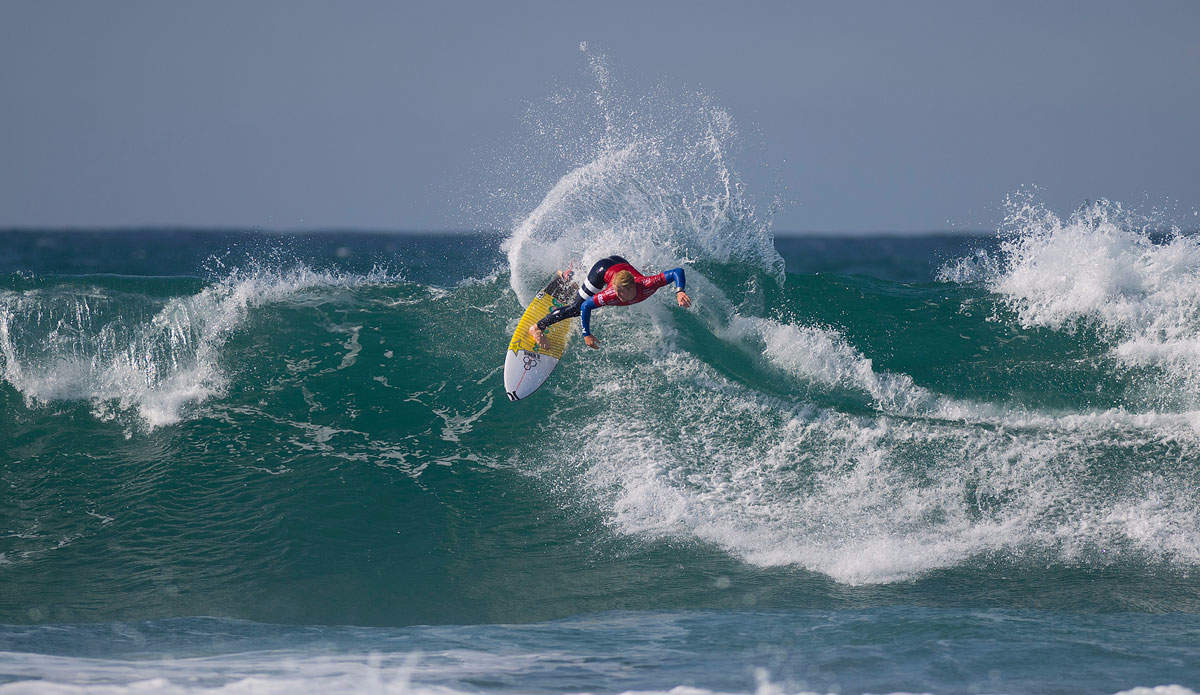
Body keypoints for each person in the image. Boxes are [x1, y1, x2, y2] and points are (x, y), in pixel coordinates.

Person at [528, 255, 691, 350]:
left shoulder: (648, 283)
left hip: (620, 263)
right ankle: (537, 327)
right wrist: (587, 334)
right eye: (615, 291)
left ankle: (571, 275)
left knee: (585, 291)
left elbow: (677, 271)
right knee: (576, 308)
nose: (617, 296)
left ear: (631, 287)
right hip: (602, 270)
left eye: (621, 292)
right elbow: (586, 307)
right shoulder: (611, 293)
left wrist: (680, 291)